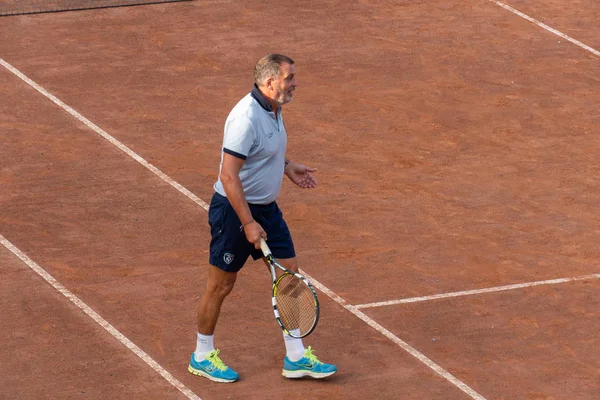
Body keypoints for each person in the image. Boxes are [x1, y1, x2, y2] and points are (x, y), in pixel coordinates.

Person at [188, 54, 337, 383]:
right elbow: (229, 176)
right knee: (221, 285)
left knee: (289, 277)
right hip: (233, 211)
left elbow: (264, 152)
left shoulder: (274, 107)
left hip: (267, 209)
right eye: (290, 77)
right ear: (270, 82)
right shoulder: (246, 117)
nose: (295, 82)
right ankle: (202, 355)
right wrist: (248, 222)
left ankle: (296, 357)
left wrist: (287, 167)